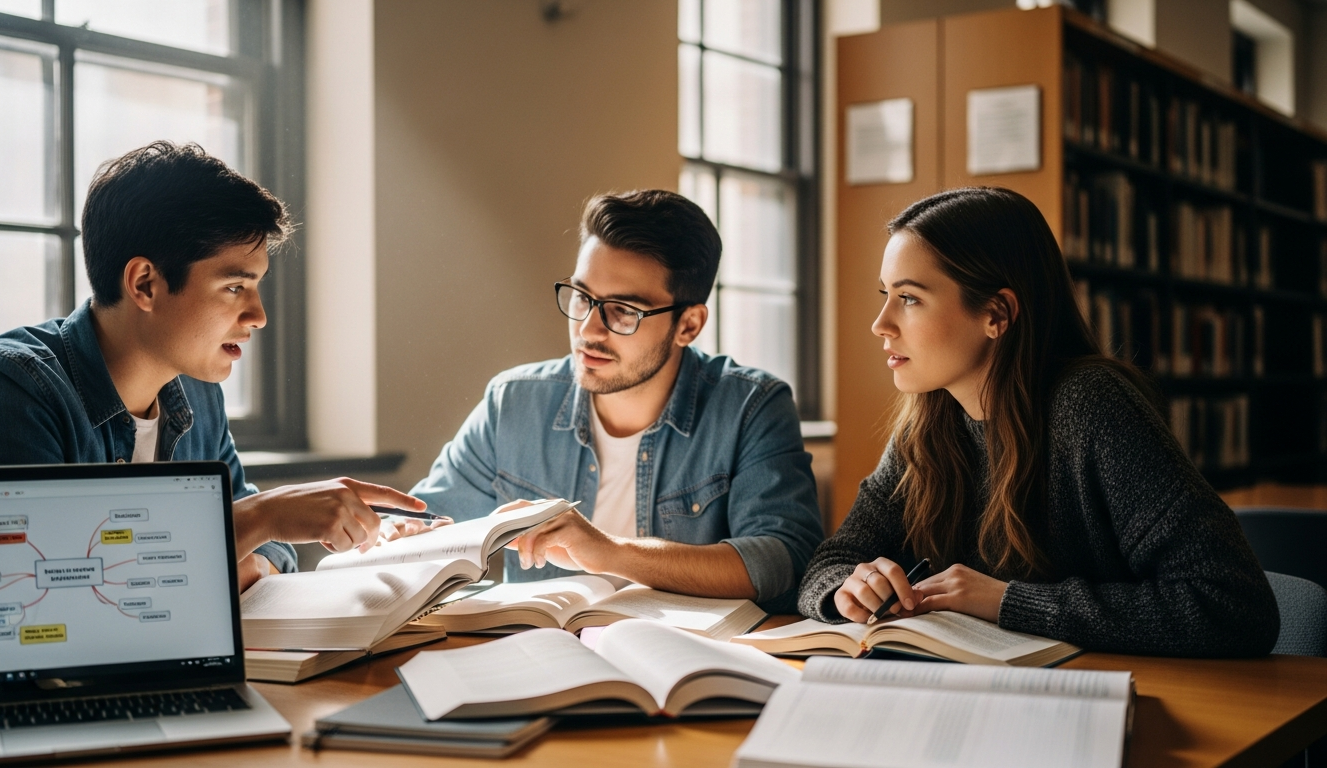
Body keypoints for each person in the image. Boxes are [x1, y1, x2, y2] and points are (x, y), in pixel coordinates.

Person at [0, 141, 434, 591]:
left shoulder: (195, 390)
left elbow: (273, 556)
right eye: (235, 287)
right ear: (145, 283)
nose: (258, 317)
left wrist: (242, 543)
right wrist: (260, 519)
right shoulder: (4, 390)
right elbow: (41, 589)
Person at [798, 187, 1278, 657]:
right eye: (886, 294)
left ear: (997, 313)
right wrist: (848, 588)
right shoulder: (925, 425)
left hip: (1116, 700)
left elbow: (1234, 605)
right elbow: (829, 563)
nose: (880, 323)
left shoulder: (1091, 406)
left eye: (909, 298)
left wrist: (1009, 602)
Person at [409, 190, 824, 612]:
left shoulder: (750, 407)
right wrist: (386, 532)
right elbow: (423, 525)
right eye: (582, 297)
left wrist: (609, 552)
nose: (589, 329)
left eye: (623, 310)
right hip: (540, 659)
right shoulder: (513, 404)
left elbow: (782, 559)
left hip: (685, 661)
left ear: (689, 325)